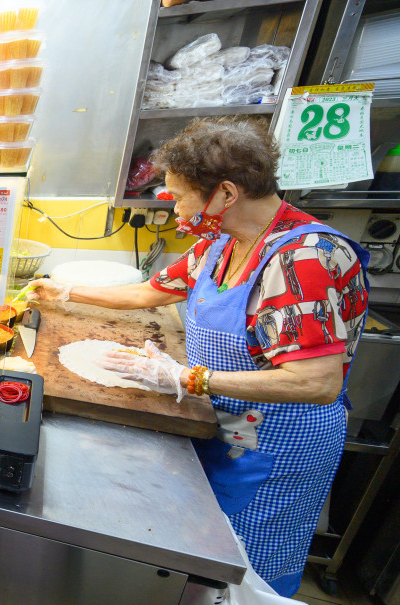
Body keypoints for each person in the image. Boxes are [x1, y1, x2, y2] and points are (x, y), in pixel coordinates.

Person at [27, 117, 369, 597]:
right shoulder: (222, 243)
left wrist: (188, 377)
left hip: (274, 446)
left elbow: (314, 382)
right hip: (219, 421)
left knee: (244, 577)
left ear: (226, 193)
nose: (174, 207)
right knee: (203, 563)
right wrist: (65, 291)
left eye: (180, 196)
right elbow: (153, 291)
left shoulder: (303, 260)